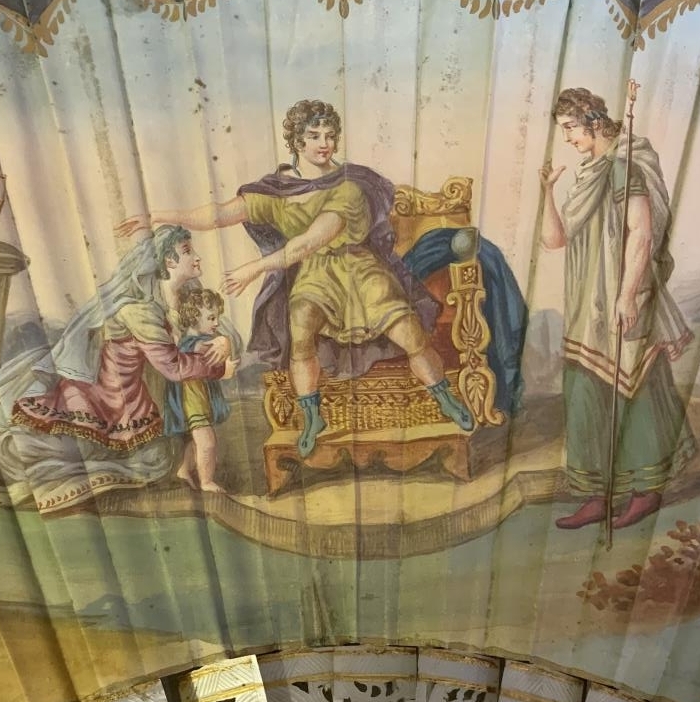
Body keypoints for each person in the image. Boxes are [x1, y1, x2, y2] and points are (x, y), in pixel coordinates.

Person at [117, 99, 474, 458]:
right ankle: (311, 415)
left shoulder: (349, 186)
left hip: (360, 270)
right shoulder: (278, 190)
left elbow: (310, 240)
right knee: (300, 326)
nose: (324, 143)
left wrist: (254, 268)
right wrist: (158, 216)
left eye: (330, 135)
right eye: (314, 135)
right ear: (296, 142)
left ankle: (443, 397)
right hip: (315, 276)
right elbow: (219, 213)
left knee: (409, 331)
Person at [0, 225, 235, 507]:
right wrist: (219, 368)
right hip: (106, 401)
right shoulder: (139, 310)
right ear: (169, 261)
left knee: (156, 458)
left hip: (135, 405)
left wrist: (223, 343)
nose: (198, 257)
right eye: (188, 251)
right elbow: (172, 366)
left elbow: (207, 331)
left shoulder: (180, 299)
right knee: (73, 450)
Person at [539, 86, 696, 531]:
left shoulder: (625, 167)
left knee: (636, 390)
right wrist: (547, 193)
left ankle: (646, 491)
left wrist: (627, 295)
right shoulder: (588, 175)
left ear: (592, 121)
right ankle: (596, 496)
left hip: (621, 299)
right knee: (586, 393)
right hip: (585, 304)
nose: (567, 138)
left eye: (570, 128)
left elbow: (642, 235)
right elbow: (553, 241)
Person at [166, 286, 234, 493]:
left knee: (194, 441)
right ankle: (206, 481)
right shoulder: (196, 344)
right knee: (207, 442)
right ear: (195, 318)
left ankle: (184, 470)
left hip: (196, 401)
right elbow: (213, 353)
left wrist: (224, 343)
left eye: (217, 318)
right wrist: (225, 344)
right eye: (211, 318)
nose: (217, 323)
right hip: (194, 402)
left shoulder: (191, 342)